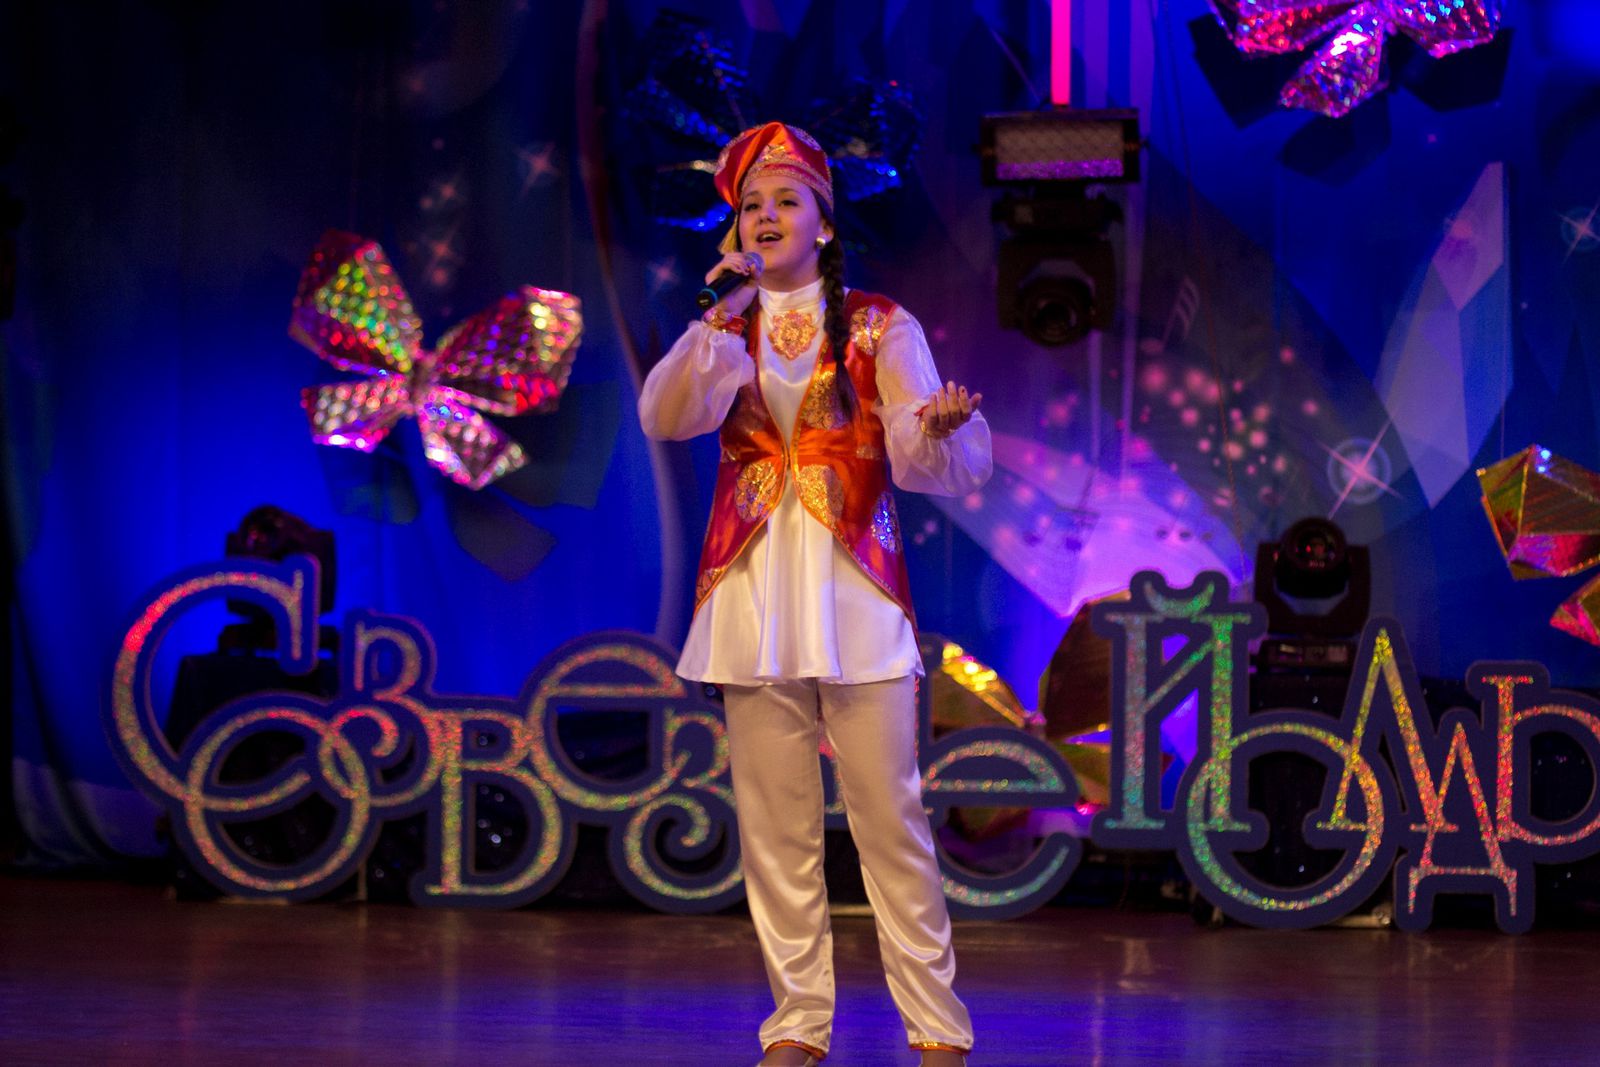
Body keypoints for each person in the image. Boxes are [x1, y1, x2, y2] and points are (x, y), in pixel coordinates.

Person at [638, 122, 990, 1067]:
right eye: (751, 204)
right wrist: (716, 317)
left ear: (824, 225)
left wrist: (939, 426)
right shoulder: (727, 327)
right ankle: (797, 1022)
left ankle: (938, 1028)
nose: (766, 216)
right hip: (752, 587)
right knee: (774, 828)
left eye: (786, 200)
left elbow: (915, 444)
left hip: (854, 590)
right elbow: (666, 415)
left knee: (891, 820)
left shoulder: (879, 324)